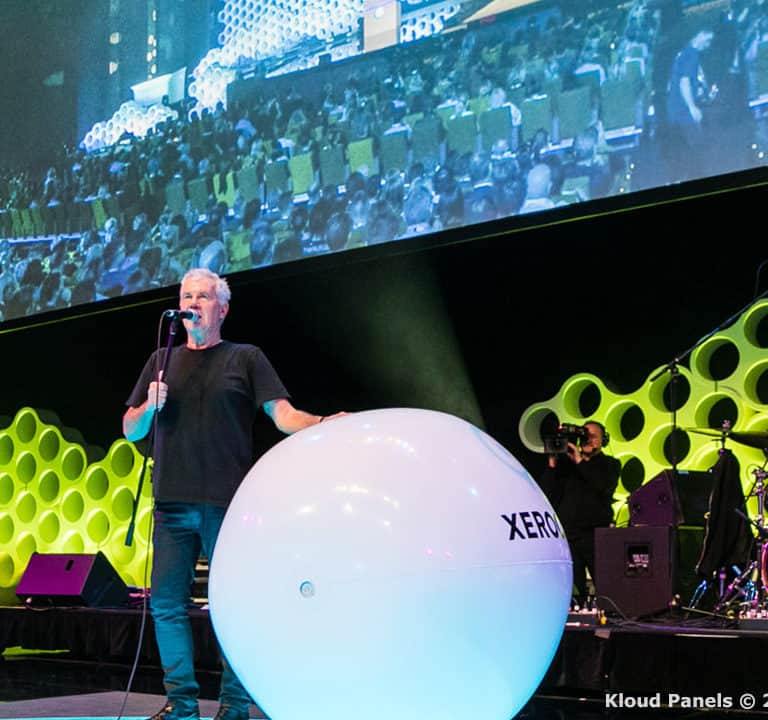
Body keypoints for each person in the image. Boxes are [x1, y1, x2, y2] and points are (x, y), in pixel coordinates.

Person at [123, 267, 345, 720]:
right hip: (171, 503)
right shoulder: (160, 360)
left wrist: (323, 423)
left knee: (233, 605)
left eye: (203, 296)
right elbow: (131, 430)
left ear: (222, 308)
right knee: (166, 604)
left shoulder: (245, 357)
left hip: (228, 505)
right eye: (187, 296)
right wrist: (149, 405)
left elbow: (282, 415)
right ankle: (181, 704)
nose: (193, 303)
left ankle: (234, 705)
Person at [539, 421, 619, 600]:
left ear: (603, 440)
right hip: (569, 536)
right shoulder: (567, 466)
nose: (588, 440)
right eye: (585, 436)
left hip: (596, 535)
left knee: (606, 586)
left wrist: (580, 461)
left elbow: (602, 487)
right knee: (574, 589)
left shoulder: (610, 464)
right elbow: (546, 492)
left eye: (593, 436)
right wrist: (552, 463)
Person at [664, 28, 716, 181]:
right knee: (696, 150)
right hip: (683, 111)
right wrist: (692, 107)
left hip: (675, 109)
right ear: (700, 34)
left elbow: (673, 83)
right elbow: (684, 82)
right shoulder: (691, 55)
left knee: (685, 150)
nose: (708, 45)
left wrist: (701, 95)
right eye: (707, 40)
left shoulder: (683, 53)